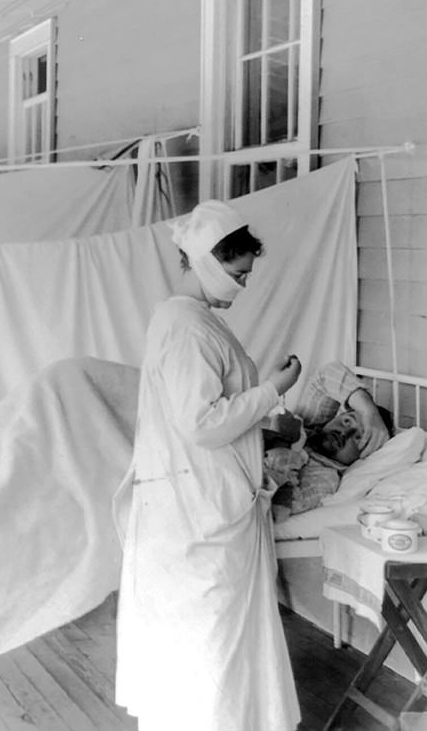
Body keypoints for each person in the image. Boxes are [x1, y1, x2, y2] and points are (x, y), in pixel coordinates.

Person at [115, 200, 302, 731]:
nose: (243, 287)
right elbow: (200, 423)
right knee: (207, 633)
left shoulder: (191, 320)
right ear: (212, 265)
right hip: (195, 503)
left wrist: (262, 408)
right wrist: (272, 390)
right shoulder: (186, 325)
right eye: (239, 274)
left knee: (209, 634)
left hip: (197, 494)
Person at [265, 361, 395, 521]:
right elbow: (326, 374)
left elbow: (282, 507)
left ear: (365, 454)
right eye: (347, 421)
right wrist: (369, 411)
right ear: (338, 415)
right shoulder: (308, 423)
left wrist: (284, 450)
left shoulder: (324, 477)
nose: (344, 433)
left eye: (358, 437)